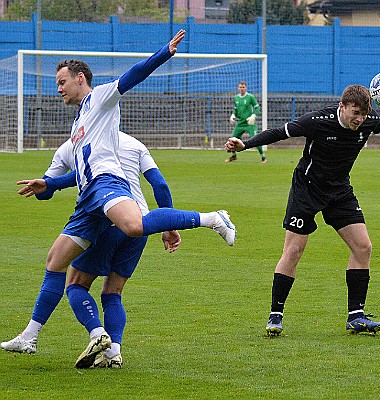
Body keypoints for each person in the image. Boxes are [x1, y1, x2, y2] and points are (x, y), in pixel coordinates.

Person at [1, 29, 236, 368]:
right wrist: (48, 186)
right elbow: (73, 176)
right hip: (87, 200)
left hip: (106, 184)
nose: (58, 88)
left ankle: (213, 218)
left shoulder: (101, 97)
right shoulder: (79, 122)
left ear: (80, 78)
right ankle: (31, 337)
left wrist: (163, 54)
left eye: (62, 81)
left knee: (134, 225)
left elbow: (132, 75)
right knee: (55, 261)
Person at [1, 131, 180, 369]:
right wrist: (169, 225)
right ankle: (114, 353)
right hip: (140, 223)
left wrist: (49, 186)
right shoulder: (134, 143)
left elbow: (45, 191)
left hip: (105, 222)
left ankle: (96, 333)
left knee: (75, 284)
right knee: (113, 292)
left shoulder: (72, 147)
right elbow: (160, 184)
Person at [225, 84, 380, 336]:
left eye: (363, 114)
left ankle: (356, 316)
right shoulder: (317, 121)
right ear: (341, 107)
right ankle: (275, 315)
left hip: (340, 191)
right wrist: (244, 146)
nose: (359, 119)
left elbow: (376, 125)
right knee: (294, 250)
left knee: (363, 247)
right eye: (354, 112)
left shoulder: (370, 120)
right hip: (307, 189)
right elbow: (279, 132)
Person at [225, 81, 267, 164]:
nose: (242, 89)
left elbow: (257, 108)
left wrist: (253, 116)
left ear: (246, 88)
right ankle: (234, 156)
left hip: (249, 123)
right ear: (238, 88)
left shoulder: (250, 97)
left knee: (256, 139)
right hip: (240, 123)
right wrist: (233, 115)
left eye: (243, 87)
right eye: (240, 87)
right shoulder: (236, 98)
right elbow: (236, 110)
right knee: (233, 139)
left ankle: (263, 157)